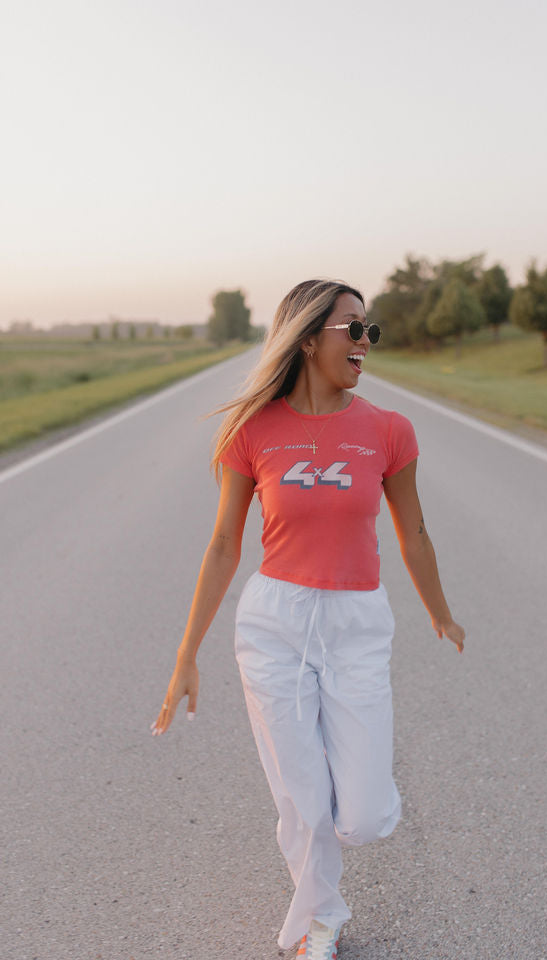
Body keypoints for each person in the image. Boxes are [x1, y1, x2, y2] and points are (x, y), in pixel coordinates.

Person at [150, 279, 465, 959]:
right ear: (306, 338)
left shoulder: (388, 430)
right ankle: (317, 925)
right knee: (302, 800)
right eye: (352, 328)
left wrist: (441, 613)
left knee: (365, 816)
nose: (364, 342)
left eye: (369, 330)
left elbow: (413, 533)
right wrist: (186, 654)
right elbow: (224, 545)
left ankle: (340, 803)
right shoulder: (253, 431)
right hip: (275, 625)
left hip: (357, 624)